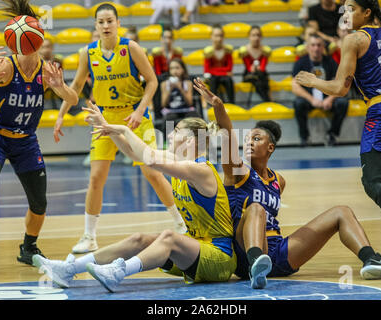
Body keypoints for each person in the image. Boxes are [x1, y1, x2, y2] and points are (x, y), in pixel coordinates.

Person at [193, 77, 381, 289]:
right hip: (244, 254)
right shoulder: (238, 173)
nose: (249, 142)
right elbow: (228, 139)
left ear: (270, 148)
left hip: (276, 251)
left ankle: (371, 260)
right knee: (256, 208)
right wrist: (218, 107)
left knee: (341, 212)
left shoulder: (278, 180)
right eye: (247, 139)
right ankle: (255, 264)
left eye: (256, 138)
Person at [32, 101, 237, 292]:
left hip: (219, 258)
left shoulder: (200, 169)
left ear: (191, 140)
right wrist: (108, 127)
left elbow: (150, 159)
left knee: (169, 236)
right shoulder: (179, 161)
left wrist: (123, 129)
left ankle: (118, 272)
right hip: (196, 250)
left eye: (175, 131)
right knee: (139, 239)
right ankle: (69, 269)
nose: (170, 136)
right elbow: (135, 154)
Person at [54, 3, 187, 255]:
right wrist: (61, 115)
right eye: (101, 22)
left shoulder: (131, 48)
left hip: (134, 116)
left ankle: (181, 224)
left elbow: (152, 81)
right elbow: (76, 88)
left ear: (117, 23)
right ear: (95, 25)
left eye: (109, 21)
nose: (105, 26)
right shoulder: (87, 53)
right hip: (104, 119)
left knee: (153, 173)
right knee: (96, 178)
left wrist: (139, 111)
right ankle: (89, 236)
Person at [295, 0, 381, 259]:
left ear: (367, 12)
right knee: (379, 178)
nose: (346, 13)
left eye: (351, 8)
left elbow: (341, 88)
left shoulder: (353, 40)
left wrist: (313, 80)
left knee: (374, 180)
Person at [0, 0, 79, 272]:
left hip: (26, 142)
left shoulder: (47, 69)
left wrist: (59, 87)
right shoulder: (6, 67)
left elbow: (74, 98)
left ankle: (28, 247)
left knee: (39, 202)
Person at [292, 33, 349, 147]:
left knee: (343, 103)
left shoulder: (330, 62)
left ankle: (332, 134)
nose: (316, 48)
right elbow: (295, 86)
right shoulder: (300, 63)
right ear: (308, 47)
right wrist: (312, 99)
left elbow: (339, 84)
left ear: (323, 47)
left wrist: (330, 99)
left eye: (319, 45)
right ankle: (305, 137)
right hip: (310, 99)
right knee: (298, 103)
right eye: (313, 45)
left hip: (326, 98)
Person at [160, 58, 199, 137]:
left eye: (177, 68)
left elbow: (190, 103)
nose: (174, 71)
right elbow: (163, 104)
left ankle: (199, 143)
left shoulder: (187, 83)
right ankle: (167, 143)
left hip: (186, 109)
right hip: (171, 111)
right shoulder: (164, 84)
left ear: (183, 69)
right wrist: (169, 90)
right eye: (172, 68)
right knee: (168, 120)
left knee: (195, 118)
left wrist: (181, 88)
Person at [238, 26, 272, 103]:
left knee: (260, 77)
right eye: (253, 35)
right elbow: (249, 67)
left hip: (261, 74)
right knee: (258, 80)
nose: (256, 38)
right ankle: (268, 101)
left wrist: (258, 68)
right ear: (249, 36)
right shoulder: (244, 50)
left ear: (261, 37)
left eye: (258, 35)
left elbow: (263, 68)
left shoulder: (265, 50)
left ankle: (267, 101)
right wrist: (254, 68)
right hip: (249, 74)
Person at [203, 24, 235, 104]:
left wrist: (216, 71)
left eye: (221, 36)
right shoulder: (208, 52)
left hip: (223, 76)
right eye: (216, 36)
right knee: (213, 82)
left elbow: (229, 68)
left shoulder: (227, 51)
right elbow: (207, 69)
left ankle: (231, 103)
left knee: (229, 81)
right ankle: (212, 104)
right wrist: (223, 72)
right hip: (215, 77)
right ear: (211, 37)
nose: (219, 39)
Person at [38, 38, 63, 111]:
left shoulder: (57, 60)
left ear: (52, 48)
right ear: (39, 49)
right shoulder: (36, 61)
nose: (46, 49)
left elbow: (60, 75)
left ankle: (65, 109)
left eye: (48, 46)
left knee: (63, 86)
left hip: (55, 82)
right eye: (43, 47)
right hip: (41, 82)